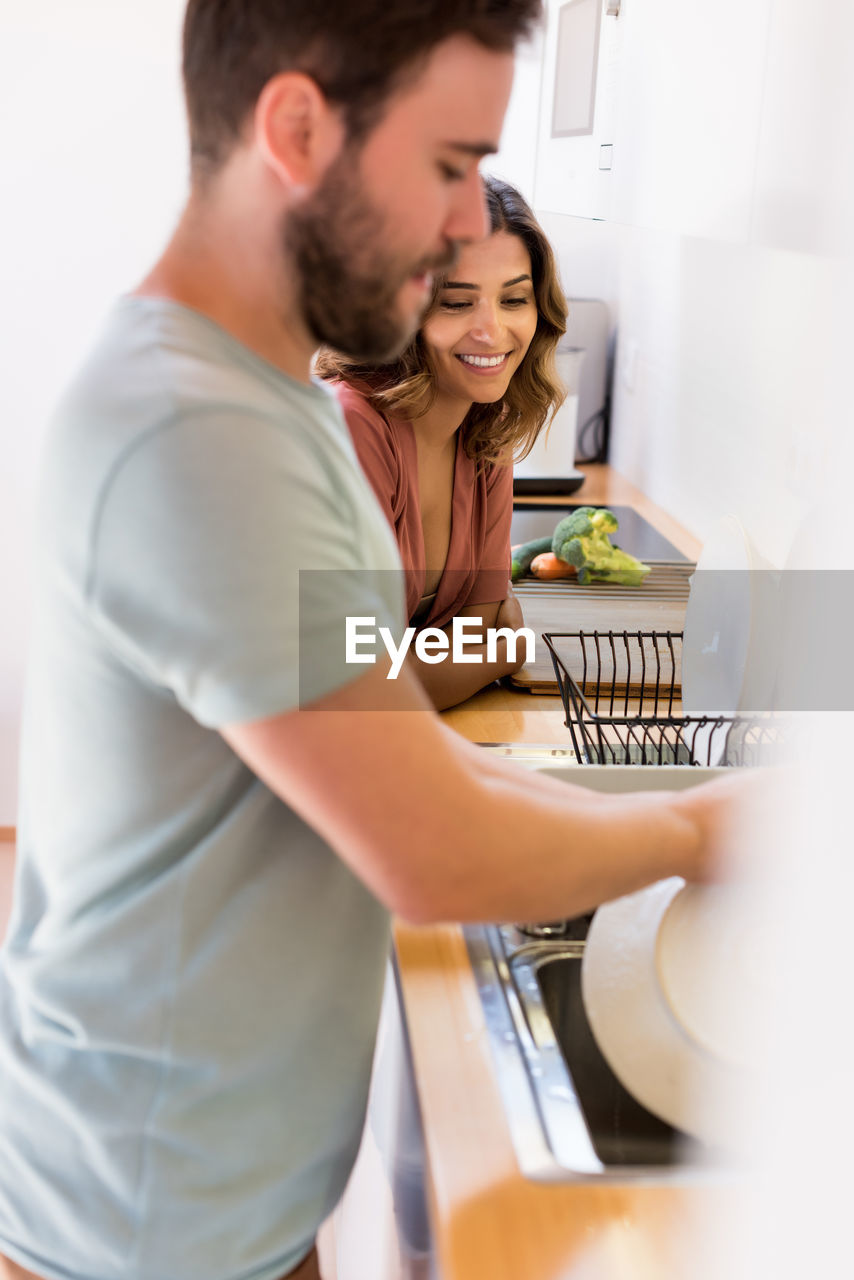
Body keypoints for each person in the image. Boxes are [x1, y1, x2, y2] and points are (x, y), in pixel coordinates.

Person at [0, 3, 757, 1279]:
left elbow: (396, 735)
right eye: (449, 164)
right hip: (140, 1225)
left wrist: (688, 799)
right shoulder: (199, 436)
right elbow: (431, 844)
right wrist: (706, 831)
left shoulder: (268, 404)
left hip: (212, 1197)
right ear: (294, 129)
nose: (470, 220)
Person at [317, 175, 567, 708]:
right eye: (456, 303)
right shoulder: (351, 427)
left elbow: (475, 625)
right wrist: (504, 652)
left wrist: (458, 652)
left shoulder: (487, 427)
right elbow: (356, 684)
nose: (492, 330)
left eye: (514, 299)